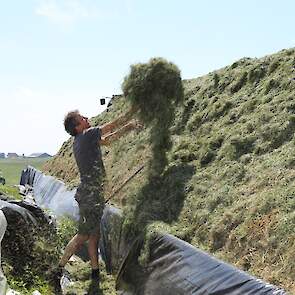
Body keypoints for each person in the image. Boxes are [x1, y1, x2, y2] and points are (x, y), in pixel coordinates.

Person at [52, 109, 140, 292]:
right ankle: (58, 269)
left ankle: (95, 273)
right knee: (83, 235)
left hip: (91, 195)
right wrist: (133, 110)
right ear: (77, 126)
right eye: (82, 118)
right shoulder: (87, 135)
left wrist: (129, 127)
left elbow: (108, 140)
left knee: (94, 235)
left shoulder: (82, 140)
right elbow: (113, 124)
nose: (87, 118)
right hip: (90, 196)